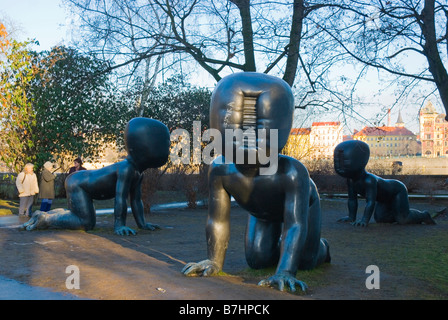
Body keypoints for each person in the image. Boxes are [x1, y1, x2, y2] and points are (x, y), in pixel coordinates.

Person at [22, 117, 171, 236]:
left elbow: (136, 200)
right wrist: (119, 225)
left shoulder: (137, 173)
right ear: (146, 146)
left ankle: (47, 215)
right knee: (85, 223)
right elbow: (120, 199)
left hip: (81, 180)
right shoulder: (127, 169)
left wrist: (142, 224)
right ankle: (46, 219)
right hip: (79, 183)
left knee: (81, 217)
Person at [334, 140, 436, 226]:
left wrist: (364, 220)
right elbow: (352, 199)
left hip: (397, 191)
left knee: (403, 220)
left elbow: (370, 202)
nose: (339, 166)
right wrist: (351, 217)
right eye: (337, 162)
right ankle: (398, 211)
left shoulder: (369, 180)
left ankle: (423, 215)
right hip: (384, 199)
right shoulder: (351, 180)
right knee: (381, 219)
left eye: (344, 162)